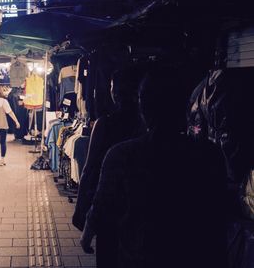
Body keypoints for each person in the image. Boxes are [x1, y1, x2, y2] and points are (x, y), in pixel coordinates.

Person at [85, 68, 227, 268]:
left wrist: (88, 230)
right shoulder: (209, 155)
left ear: (143, 106)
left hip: (139, 256)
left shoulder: (122, 154)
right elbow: (219, 216)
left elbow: (102, 205)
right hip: (194, 256)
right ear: (184, 106)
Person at [72, 68, 146, 267]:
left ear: (114, 92)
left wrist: (83, 214)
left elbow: (90, 169)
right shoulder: (146, 126)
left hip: (111, 211)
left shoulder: (105, 124)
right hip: (142, 211)